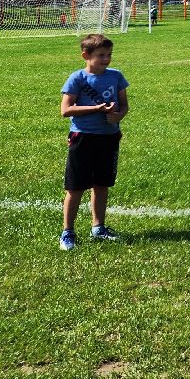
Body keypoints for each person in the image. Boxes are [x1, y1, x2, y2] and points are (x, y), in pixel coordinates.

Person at [58, 33, 130, 250]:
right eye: (101, 55)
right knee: (76, 186)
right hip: (83, 137)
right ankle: (67, 232)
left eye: (109, 54)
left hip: (108, 137)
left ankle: (98, 227)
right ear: (85, 56)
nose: (106, 59)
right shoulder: (77, 79)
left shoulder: (116, 76)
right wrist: (96, 109)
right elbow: (66, 110)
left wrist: (118, 115)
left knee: (101, 184)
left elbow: (124, 105)